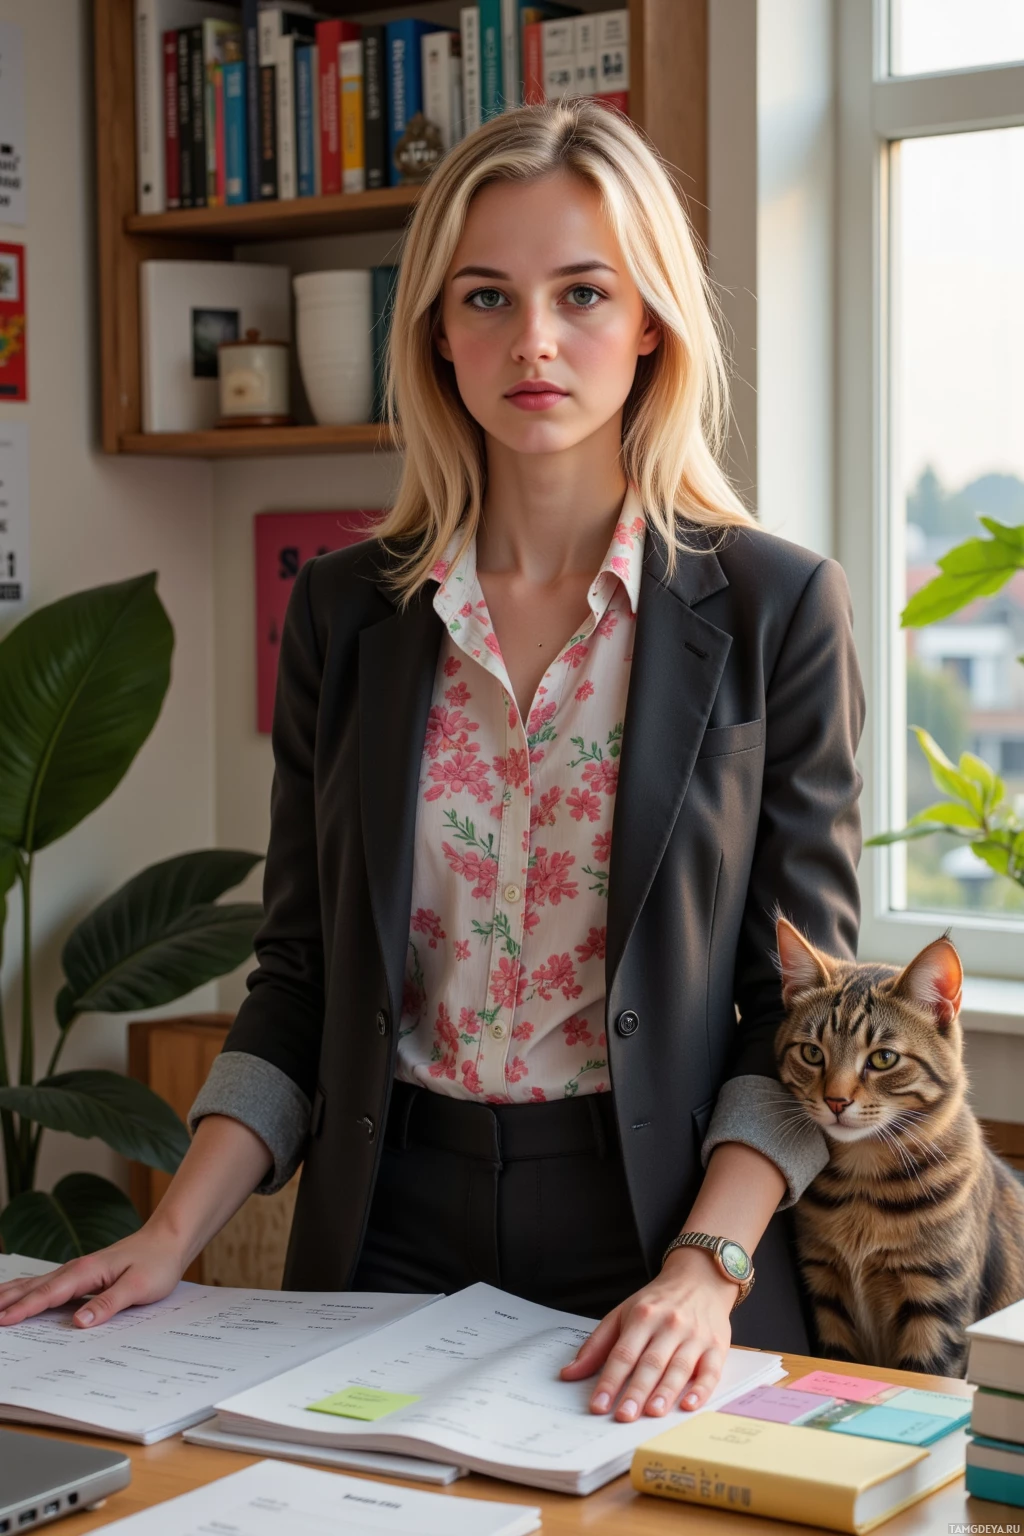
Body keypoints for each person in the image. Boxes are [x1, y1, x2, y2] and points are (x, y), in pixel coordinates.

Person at [0, 100, 864, 1427]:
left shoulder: (777, 609)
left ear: (651, 322)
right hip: (384, 1222)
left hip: (656, 1241)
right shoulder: (346, 615)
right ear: (436, 332)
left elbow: (790, 1017)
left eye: (583, 292)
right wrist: (170, 1231)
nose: (534, 340)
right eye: (486, 297)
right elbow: (297, 982)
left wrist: (709, 1268)